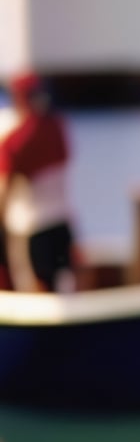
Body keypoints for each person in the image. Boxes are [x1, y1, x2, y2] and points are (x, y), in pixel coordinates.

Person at [0, 72, 76, 292]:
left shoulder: (17, 141)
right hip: (61, 222)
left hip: (30, 228)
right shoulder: (57, 128)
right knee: (63, 287)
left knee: (34, 290)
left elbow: (5, 190)